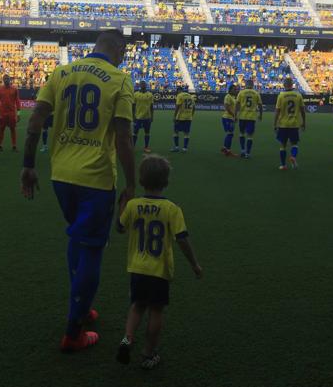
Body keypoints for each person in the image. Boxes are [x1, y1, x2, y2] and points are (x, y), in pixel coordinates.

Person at [20, 29, 136, 352]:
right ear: (119, 51)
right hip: (96, 180)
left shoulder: (61, 72)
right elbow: (124, 138)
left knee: (76, 237)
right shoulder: (120, 80)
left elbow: (35, 120)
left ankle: (81, 306)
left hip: (61, 175)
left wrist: (28, 164)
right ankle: (74, 333)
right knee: (93, 250)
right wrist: (131, 184)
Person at [116, 154, 202, 369]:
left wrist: (122, 205)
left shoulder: (134, 205)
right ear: (166, 181)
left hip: (137, 268)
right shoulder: (172, 209)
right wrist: (194, 264)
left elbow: (119, 228)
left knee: (137, 306)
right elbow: (182, 239)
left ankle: (127, 339)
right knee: (156, 311)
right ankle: (148, 354)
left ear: (142, 180)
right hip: (159, 270)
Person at [274, 78, 306, 170]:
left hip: (283, 124)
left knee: (283, 145)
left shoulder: (281, 96)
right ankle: (293, 156)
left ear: (284, 85)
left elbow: (277, 111)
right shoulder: (298, 95)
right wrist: (304, 122)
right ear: (292, 85)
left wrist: (274, 124)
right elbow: (303, 111)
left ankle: (283, 165)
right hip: (294, 124)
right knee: (294, 144)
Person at [235, 79, 262, 159]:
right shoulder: (256, 93)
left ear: (246, 85)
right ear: (253, 85)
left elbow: (237, 105)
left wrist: (235, 115)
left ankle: (243, 150)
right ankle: (248, 153)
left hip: (242, 116)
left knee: (241, 134)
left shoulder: (241, 93)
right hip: (251, 117)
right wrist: (260, 115)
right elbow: (260, 105)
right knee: (250, 136)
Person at [0, 75, 20, 152]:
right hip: (2, 113)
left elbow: (17, 101)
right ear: (3, 80)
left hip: (12, 112)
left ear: (10, 80)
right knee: (1, 129)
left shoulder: (14, 89)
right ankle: (0, 146)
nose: (6, 80)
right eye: (5, 79)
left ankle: (14, 146)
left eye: (7, 79)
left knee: (13, 129)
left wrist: (18, 114)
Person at [171, 87, 195, 153]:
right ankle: (185, 148)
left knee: (176, 132)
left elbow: (177, 106)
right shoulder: (190, 96)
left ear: (178, 91)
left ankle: (176, 147)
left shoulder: (180, 95)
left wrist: (174, 116)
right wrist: (191, 116)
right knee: (186, 133)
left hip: (180, 117)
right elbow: (194, 108)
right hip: (188, 118)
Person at [133, 81, 154, 153]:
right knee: (135, 132)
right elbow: (133, 105)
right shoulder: (135, 94)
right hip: (137, 117)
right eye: (142, 84)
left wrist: (152, 116)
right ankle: (133, 147)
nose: (143, 85)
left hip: (147, 117)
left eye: (144, 84)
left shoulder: (150, 94)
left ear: (146, 85)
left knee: (147, 132)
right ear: (139, 85)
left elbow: (151, 106)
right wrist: (133, 116)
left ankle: (146, 147)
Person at [221, 83, 238, 157]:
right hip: (227, 117)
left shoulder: (233, 97)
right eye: (234, 89)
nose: (236, 91)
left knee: (229, 133)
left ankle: (225, 148)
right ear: (230, 90)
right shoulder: (228, 96)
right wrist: (234, 115)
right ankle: (228, 151)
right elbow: (227, 107)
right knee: (230, 134)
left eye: (236, 89)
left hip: (230, 117)